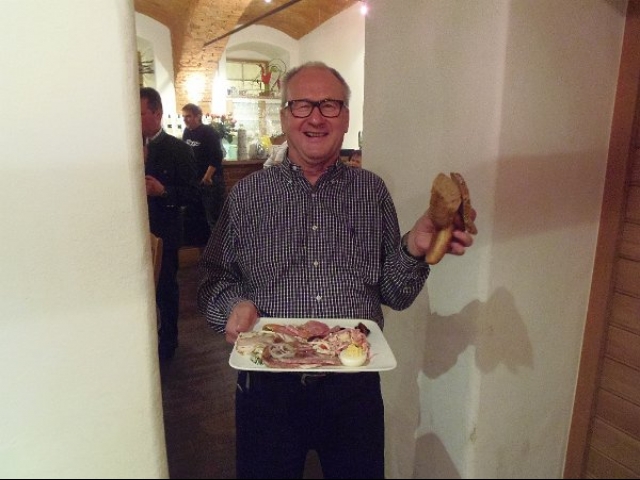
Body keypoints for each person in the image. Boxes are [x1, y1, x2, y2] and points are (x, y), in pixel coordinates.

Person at [197, 62, 476, 479]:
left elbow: (395, 293)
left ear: (345, 118)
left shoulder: (372, 192)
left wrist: (415, 248)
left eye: (329, 105)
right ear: (284, 117)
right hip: (268, 389)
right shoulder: (247, 196)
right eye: (302, 105)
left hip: (354, 389)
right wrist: (231, 306)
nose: (315, 117)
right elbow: (212, 278)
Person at [141, 87, 199, 361]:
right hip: (134, 233)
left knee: (165, 288)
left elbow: (192, 194)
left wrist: (163, 191)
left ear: (157, 113)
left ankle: (168, 342)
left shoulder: (177, 149)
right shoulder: (126, 148)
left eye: (140, 113)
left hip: (165, 230)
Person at [181, 103, 226, 244]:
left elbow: (217, 156)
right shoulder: (187, 132)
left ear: (198, 116)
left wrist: (207, 176)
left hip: (211, 182)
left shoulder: (208, 132)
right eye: (184, 116)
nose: (185, 119)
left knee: (214, 220)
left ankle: (220, 252)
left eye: (188, 116)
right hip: (195, 183)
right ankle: (205, 252)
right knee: (199, 221)